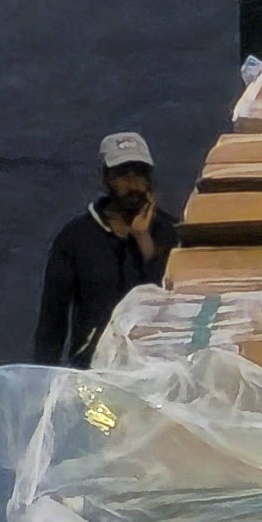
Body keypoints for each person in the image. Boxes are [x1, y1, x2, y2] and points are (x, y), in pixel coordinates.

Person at [33, 129, 178, 364]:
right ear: (106, 178)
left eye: (140, 174)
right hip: (93, 369)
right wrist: (42, 380)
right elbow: (53, 320)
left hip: (155, 367)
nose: (133, 185)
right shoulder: (74, 240)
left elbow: (171, 301)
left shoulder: (171, 233)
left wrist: (144, 240)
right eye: (122, 175)